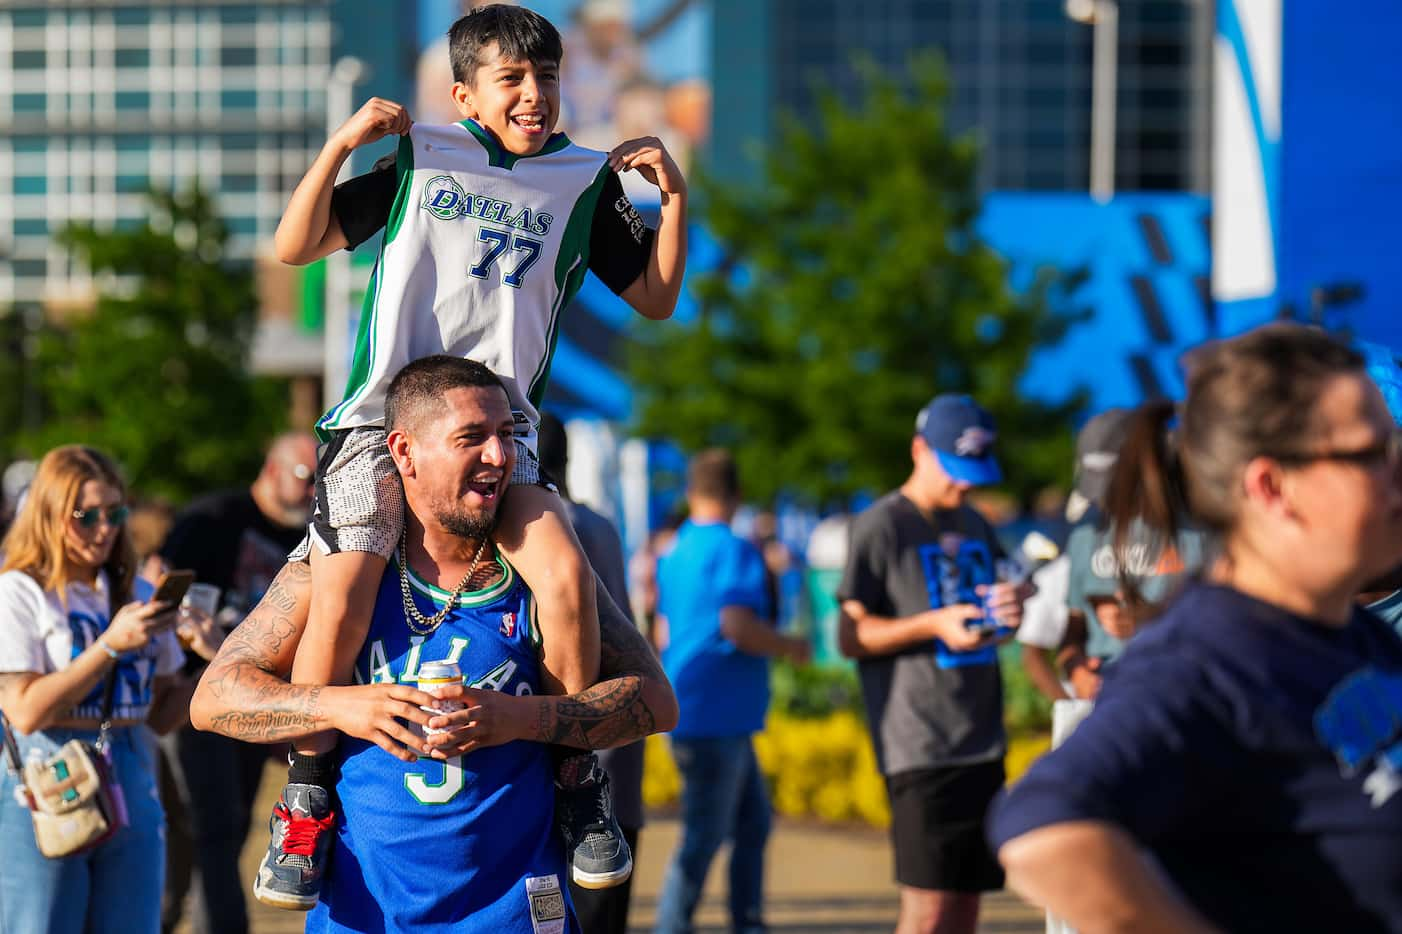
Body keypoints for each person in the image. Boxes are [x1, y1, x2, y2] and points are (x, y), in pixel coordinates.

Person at [265, 3, 688, 906]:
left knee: (565, 576)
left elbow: (654, 298)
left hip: (505, 431)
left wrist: (673, 202)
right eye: (512, 79)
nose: (534, 94)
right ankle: (305, 800)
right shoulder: (423, 153)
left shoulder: (584, 179)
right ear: (464, 93)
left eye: (547, 78)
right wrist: (341, 144)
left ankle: (579, 786)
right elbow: (292, 245)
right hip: (383, 419)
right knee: (339, 596)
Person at [189, 355, 678, 933]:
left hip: (515, 912)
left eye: (507, 434)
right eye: (471, 438)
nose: (500, 456)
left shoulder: (543, 570)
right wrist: (343, 705)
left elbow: (655, 702)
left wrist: (519, 717)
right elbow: (213, 700)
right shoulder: (339, 569)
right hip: (364, 915)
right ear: (405, 452)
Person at [989, 324, 1402, 932]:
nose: (1397, 482)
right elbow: (1042, 828)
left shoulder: (1348, 634)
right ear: (1271, 487)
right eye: (1374, 456)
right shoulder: (1207, 659)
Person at [0, 445, 221, 934]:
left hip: (132, 770)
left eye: (115, 513)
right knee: (41, 924)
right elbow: (24, 711)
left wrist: (216, 660)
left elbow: (160, 715)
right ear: (50, 514)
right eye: (86, 516)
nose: (104, 529)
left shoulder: (137, 593)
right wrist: (109, 646)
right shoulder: (19, 590)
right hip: (47, 774)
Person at [836, 394, 1028, 934]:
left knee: (967, 905)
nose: (964, 485)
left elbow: (995, 616)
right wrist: (933, 624)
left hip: (982, 736)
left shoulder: (975, 521)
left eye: (974, 473)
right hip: (919, 743)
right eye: (955, 469)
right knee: (927, 911)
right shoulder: (881, 525)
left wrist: (1010, 613)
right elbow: (850, 635)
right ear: (919, 449)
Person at [155, 433, 318, 934]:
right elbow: (164, 594)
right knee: (213, 833)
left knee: (224, 834)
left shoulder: (313, 535)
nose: (314, 491)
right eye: (304, 478)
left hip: (260, 700)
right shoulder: (214, 519)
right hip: (196, 697)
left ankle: (160, 917)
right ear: (271, 471)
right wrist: (210, 646)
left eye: (319, 481)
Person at [653, 449, 810, 934]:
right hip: (718, 712)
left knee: (751, 825)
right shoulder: (737, 549)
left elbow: (662, 629)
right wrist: (789, 645)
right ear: (737, 495)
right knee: (704, 837)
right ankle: (672, 927)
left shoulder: (674, 548)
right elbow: (737, 625)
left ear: (690, 493)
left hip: (695, 705)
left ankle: (748, 922)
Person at [536, 412, 645, 934]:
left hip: (571, 742)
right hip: (619, 730)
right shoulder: (599, 523)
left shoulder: (544, 530)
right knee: (610, 898)